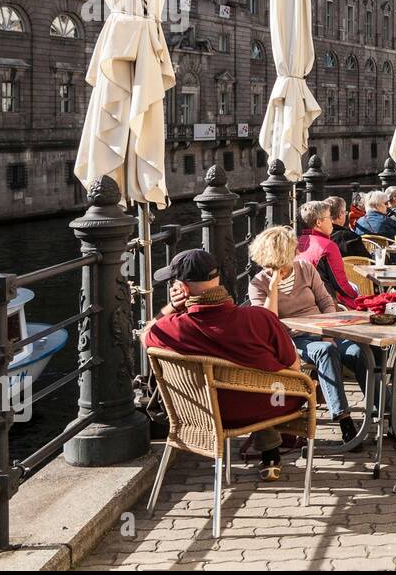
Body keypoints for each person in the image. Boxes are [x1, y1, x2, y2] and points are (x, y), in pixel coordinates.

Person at [143, 249, 304, 481]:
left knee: (243, 384)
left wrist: (171, 308)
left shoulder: (174, 327)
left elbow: (144, 334)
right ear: (217, 280)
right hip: (267, 409)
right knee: (270, 379)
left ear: (184, 289)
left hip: (202, 413)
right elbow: (294, 367)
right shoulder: (260, 318)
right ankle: (270, 452)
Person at [248, 226, 366, 447]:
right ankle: (343, 419)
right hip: (293, 340)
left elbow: (326, 302)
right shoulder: (259, 284)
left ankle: (384, 414)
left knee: (360, 352)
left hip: (324, 330)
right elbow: (268, 322)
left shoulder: (304, 269)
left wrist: (329, 334)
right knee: (325, 351)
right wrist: (273, 286)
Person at [296, 200, 365, 310]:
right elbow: (341, 285)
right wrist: (358, 295)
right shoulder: (328, 246)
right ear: (319, 222)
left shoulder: (296, 242)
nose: (331, 222)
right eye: (329, 218)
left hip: (300, 300)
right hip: (325, 303)